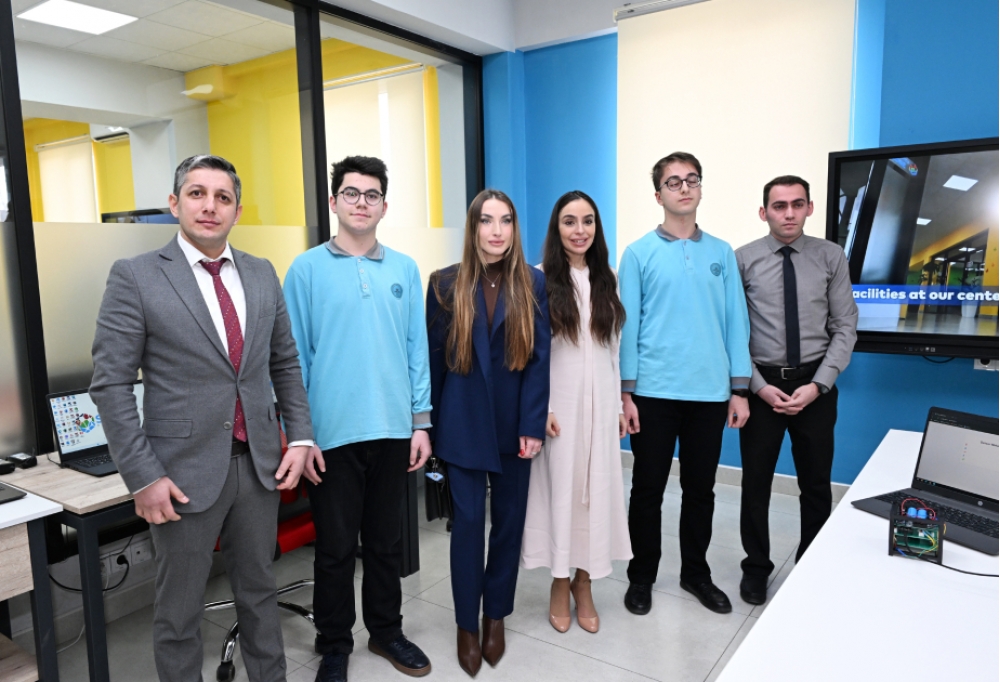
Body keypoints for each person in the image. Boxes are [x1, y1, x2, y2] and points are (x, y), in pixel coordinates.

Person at [90, 154, 317, 682]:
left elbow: (284, 362)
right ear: (174, 204)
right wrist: (143, 476)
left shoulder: (261, 272)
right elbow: (110, 384)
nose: (209, 206)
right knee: (179, 611)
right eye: (197, 193)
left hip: (259, 466)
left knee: (259, 593)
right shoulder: (137, 276)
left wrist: (301, 436)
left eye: (222, 197)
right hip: (180, 475)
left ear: (237, 210)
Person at [283, 156, 433, 682]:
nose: (361, 203)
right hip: (331, 435)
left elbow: (416, 350)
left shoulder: (404, 269)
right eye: (351, 193)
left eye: (372, 195)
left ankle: (387, 632)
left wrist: (421, 423)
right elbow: (292, 359)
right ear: (334, 202)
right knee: (336, 548)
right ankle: (334, 644)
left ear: (384, 206)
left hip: (393, 429)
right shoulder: (305, 270)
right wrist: (301, 435)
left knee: (386, 544)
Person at [619, 151, 752, 616]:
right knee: (647, 490)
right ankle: (641, 576)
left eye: (691, 179)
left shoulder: (721, 253)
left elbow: (736, 322)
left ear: (700, 188)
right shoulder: (638, 253)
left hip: (709, 394)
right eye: (673, 182)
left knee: (701, 490)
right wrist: (626, 393)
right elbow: (627, 327)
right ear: (658, 195)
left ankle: (695, 573)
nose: (683, 188)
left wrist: (739, 389)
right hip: (653, 394)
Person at [426, 189, 550, 677]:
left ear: (515, 228)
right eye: (487, 220)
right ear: (473, 227)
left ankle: (495, 615)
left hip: (515, 428)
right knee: (467, 528)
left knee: (509, 525)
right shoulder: (444, 283)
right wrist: (430, 429)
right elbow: (434, 364)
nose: (497, 231)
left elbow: (539, 361)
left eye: (506, 221)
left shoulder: (533, 282)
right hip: (461, 426)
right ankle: (466, 625)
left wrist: (533, 425)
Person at [734, 175, 858, 605]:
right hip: (762, 387)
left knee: (816, 484)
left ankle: (812, 565)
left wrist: (819, 384)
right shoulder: (742, 260)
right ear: (763, 212)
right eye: (779, 205)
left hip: (815, 386)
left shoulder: (830, 256)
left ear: (809, 208)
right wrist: (758, 387)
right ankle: (756, 568)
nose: (789, 213)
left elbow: (845, 325)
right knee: (756, 485)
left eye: (797, 204)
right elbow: (732, 333)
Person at [520, 190, 631, 634]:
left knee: (597, 491)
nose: (579, 230)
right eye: (570, 221)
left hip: (601, 403)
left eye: (588, 221)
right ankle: (559, 580)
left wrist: (619, 403)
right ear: (557, 228)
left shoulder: (609, 278)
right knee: (560, 493)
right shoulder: (539, 278)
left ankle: (585, 582)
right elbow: (530, 351)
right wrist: (541, 407)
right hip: (559, 406)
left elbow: (613, 349)